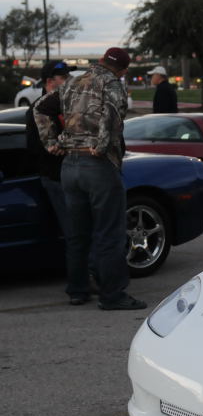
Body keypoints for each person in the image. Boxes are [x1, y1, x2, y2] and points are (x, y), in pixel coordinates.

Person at [34, 46, 146, 310]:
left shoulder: (73, 82)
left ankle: (77, 290)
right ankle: (113, 296)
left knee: (77, 234)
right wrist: (102, 144)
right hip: (98, 165)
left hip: (69, 165)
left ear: (100, 61)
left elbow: (40, 107)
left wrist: (51, 142)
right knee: (109, 233)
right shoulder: (114, 85)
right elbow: (112, 117)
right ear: (123, 70)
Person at [26, 60, 74, 236]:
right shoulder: (37, 110)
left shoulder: (70, 106)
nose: (68, 80)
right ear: (49, 81)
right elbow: (32, 147)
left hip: (75, 176)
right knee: (74, 232)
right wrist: (55, 147)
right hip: (55, 178)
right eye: (63, 77)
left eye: (69, 76)